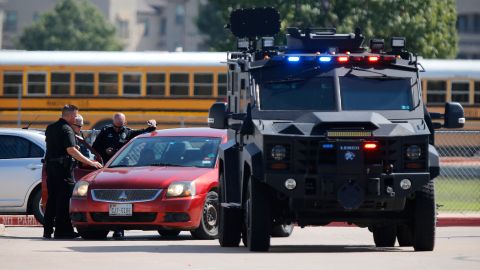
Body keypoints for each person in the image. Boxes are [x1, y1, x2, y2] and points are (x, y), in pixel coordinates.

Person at [92, 112, 156, 238]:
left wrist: (153, 125)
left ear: (125, 124)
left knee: (121, 200)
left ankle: (118, 229)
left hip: (123, 169)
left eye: (120, 127)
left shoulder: (128, 132)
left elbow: (145, 132)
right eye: (115, 126)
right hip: (108, 168)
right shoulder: (105, 132)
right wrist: (105, 151)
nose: (117, 129)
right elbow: (94, 148)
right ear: (112, 124)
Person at [43, 105, 103, 239]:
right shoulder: (67, 129)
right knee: (64, 201)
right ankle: (62, 231)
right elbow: (71, 150)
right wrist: (91, 162)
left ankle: (47, 230)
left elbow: (56, 146)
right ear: (70, 116)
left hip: (51, 168)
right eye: (76, 115)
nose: (76, 118)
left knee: (52, 199)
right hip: (63, 170)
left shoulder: (51, 128)